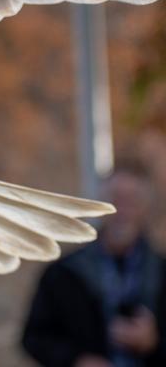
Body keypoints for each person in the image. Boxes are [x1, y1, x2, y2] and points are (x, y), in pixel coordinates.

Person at [22, 151, 166, 367]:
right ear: (101, 204)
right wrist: (78, 360)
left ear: (145, 207)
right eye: (115, 199)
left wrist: (153, 342)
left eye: (131, 201)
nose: (122, 211)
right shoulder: (63, 273)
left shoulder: (162, 272)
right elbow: (34, 338)